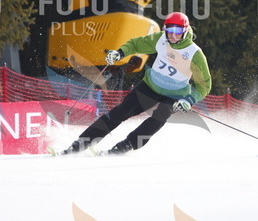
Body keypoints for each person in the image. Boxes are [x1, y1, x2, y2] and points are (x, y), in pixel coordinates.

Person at [62, 12, 211, 155]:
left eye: (177, 31)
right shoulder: (161, 39)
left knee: (159, 117)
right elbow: (135, 44)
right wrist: (120, 53)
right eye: (169, 29)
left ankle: (126, 145)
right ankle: (81, 144)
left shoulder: (194, 54)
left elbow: (204, 85)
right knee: (121, 112)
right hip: (150, 86)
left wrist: (189, 100)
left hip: (175, 94)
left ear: (185, 30)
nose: (172, 34)